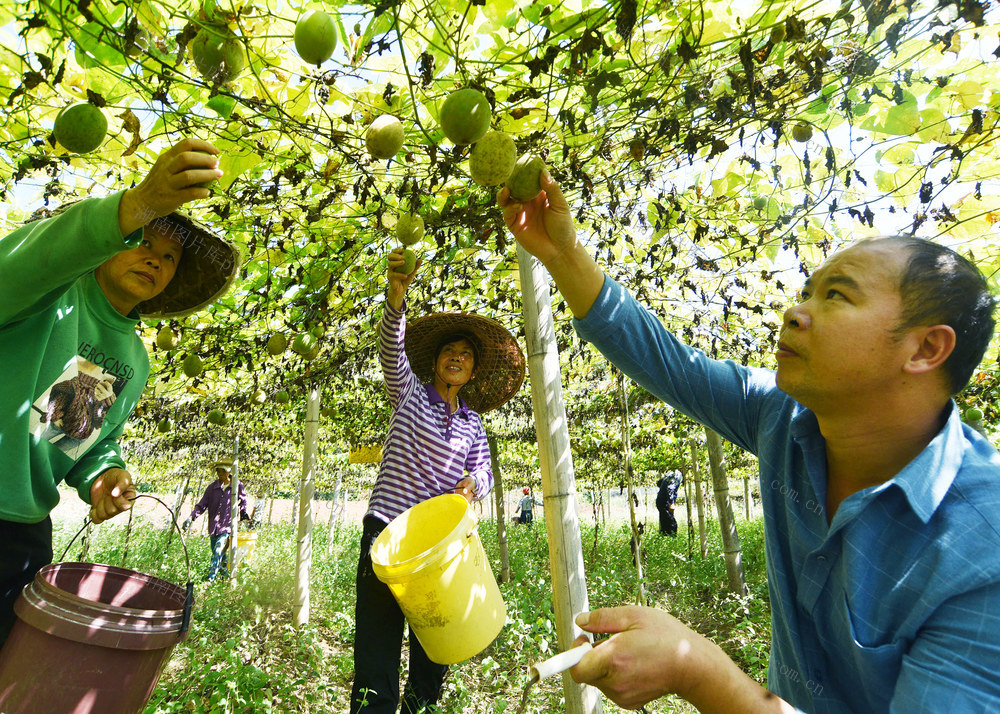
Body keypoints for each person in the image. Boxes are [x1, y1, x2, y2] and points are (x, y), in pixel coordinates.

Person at [499, 172, 1000, 712]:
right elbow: (667, 361)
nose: (795, 310)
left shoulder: (983, 553)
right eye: (807, 290)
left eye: (837, 295)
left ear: (926, 348)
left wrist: (694, 667)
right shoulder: (784, 417)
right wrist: (563, 253)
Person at [0, 138, 237, 647]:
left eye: (169, 256)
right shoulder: (50, 288)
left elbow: (67, 428)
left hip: (21, 531)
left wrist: (101, 473)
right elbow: (36, 259)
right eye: (142, 241)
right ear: (110, 241)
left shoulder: (131, 358)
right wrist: (138, 205)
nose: (155, 259)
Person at [350, 248, 525, 714]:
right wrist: (397, 295)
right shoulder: (409, 394)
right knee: (377, 646)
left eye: (466, 356)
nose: (457, 358)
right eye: (450, 351)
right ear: (435, 362)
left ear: (471, 372)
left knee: (434, 647)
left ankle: (420, 708)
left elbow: (483, 471)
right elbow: (390, 349)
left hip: (440, 548)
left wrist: (473, 485)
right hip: (387, 532)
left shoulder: (472, 424)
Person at [183, 457, 251, 582]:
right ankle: (224, 579)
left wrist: (243, 513)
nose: (220, 474)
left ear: (228, 472)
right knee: (221, 556)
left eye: (222, 471)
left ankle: (210, 581)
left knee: (218, 552)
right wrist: (191, 517)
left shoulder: (236, 486)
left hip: (227, 527)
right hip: (213, 527)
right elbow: (202, 505)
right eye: (218, 471)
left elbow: (243, 501)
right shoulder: (212, 488)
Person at [655, 470, 684, 536]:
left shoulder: (670, 473)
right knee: (672, 523)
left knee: (664, 522)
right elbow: (671, 488)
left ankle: (664, 537)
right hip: (665, 502)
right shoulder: (677, 475)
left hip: (660, 500)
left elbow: (659, 483)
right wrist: (672, 502)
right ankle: (672, 539)